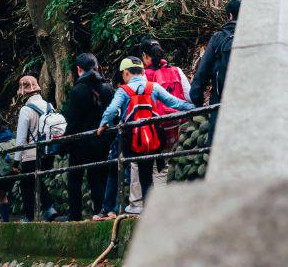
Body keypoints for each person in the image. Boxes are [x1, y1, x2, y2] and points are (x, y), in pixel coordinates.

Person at [94, 57, 195, 220]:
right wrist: (195, 107)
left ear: (126, 73)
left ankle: (107, 210)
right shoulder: (153, 87)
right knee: (146, 176)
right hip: (150, 139)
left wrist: (103, 124)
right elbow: (174, 103)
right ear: (142, 71)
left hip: (127, 141)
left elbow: (112, 110)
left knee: (114, 170)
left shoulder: (124, 90)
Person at [125, 39, 192, 215]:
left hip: (151, 128)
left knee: (138, 164)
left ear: (145, 57)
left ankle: (137, 204)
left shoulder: (143, 78)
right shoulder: (176, 71)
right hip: (173, 126)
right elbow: (189, 96)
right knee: (162, 167)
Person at [59, 54, 114, 222]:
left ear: (79, 69)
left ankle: (75, 215)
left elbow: (73, 122)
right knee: (98, 177)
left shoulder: (78, 90)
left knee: (74, 178)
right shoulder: (108, 88)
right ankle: (100, 211)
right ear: (97, 67)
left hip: (80, 144)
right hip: (102, 141)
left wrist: (63, 144)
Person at [189, 0, 241, 145]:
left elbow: (202, 73)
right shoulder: (257, 37)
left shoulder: (219, 38)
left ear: (230, 15)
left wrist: (197, 99)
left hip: (221, 104)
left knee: (217, 147)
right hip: (248, 103)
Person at [14, 75, 58, 222]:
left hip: (30, 154)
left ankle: (30, 217)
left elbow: (20, 138)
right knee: (37, 180)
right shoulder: (49, 105)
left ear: (23, 92)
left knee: (26, 184)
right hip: (47, 152)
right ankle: (49, 208)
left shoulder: (26, 110)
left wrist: (16, 159)